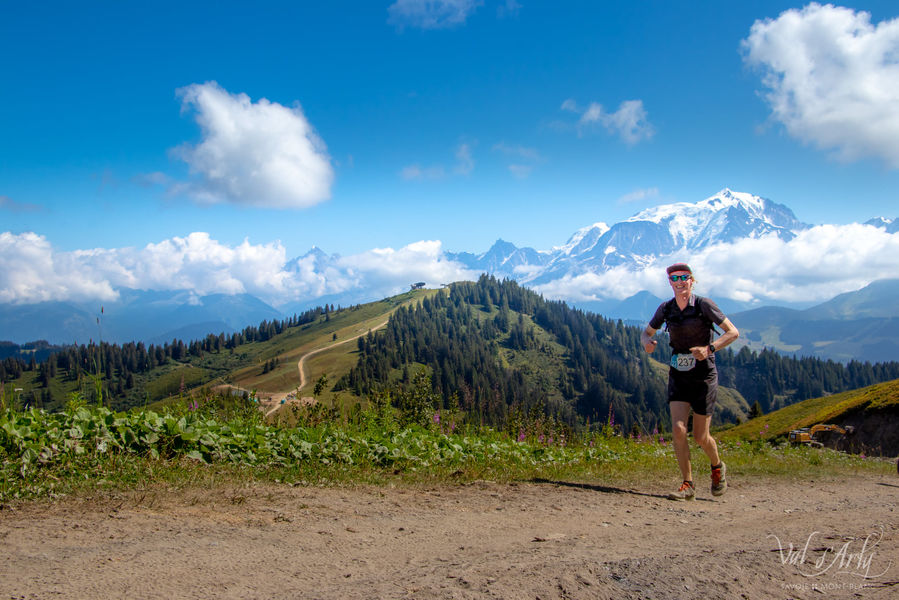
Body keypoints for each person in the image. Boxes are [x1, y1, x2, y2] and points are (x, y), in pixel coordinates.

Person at [641, 263, 739, 500]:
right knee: (678, 428)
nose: (680, 282)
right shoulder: (666, 308)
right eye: (675, 278)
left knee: (700, 436)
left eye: (684, 277)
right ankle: (688, 484)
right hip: (678, 374)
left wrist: (710, 348)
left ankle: (717, 467)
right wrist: (647, 344)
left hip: (704, 375)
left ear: (692, 280)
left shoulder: (704, 305)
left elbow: (733, 332)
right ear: (670, 283)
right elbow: (646, 333)